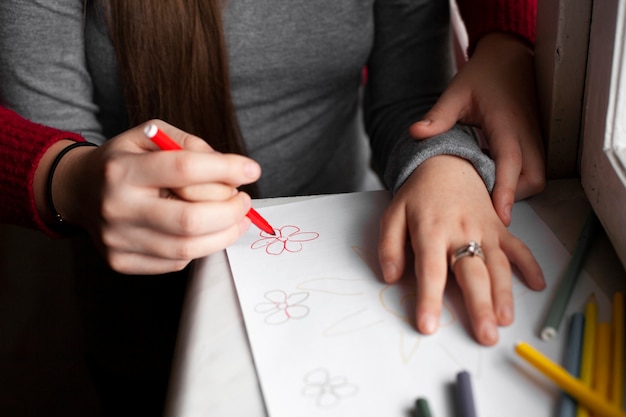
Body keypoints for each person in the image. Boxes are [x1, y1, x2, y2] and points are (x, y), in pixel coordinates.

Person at [0, 0, 545, 414]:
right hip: (137, 319)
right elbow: (48, 126)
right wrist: (70, 178)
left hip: (330, 276)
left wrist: (443, 163)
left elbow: (408, 99)